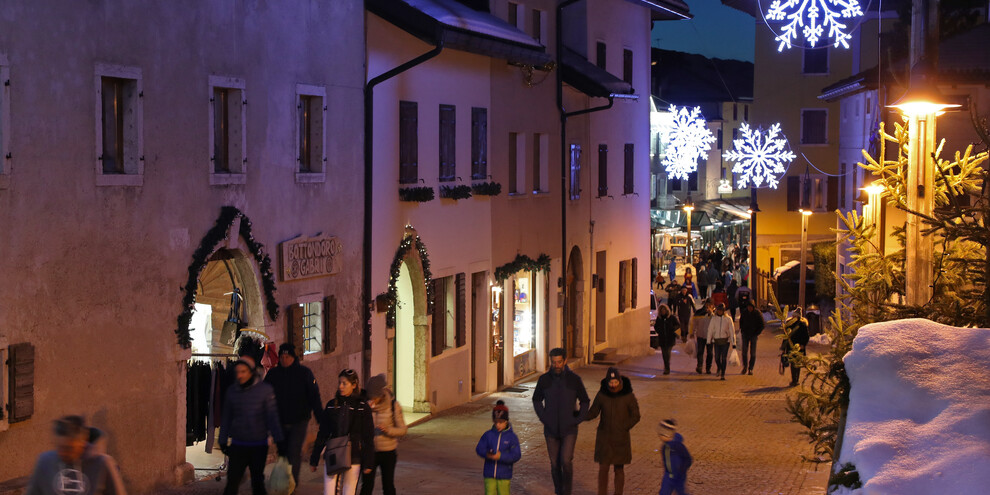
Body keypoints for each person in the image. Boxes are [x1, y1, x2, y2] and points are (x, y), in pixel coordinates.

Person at [219, 360, 285, 495]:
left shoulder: (264, 391)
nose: (240, 376)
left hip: (258, 445)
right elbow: (226, 417)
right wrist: (222, 440)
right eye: (237, 372)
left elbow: (272, 417)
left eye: (243, 372)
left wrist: (279, 441)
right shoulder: (232, 391)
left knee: (257, 482)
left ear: (251, 372)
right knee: (232, 481)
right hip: (238, 444)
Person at [532, 348, 590, 495]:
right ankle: (559, 490)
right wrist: (543, 417)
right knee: (554, 464)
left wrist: (578, 418)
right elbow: (536, 399)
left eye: (559, 362)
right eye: (553, 362)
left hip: (569, 429)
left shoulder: (574, 380)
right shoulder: (544, 380)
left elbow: (584, 400)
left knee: (566, 461)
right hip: (550, 429)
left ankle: (566, 491)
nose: (556, 365)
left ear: (565, 361)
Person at [265, 343, 324, 487]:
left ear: (293, 357)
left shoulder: (304, 373)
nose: (284, 360)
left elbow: (314, 396)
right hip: (279, 422)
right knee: (283, 453)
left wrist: (320, 418)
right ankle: (284, 481)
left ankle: (292, 485)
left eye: (287, 356)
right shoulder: (273, 375)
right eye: (282, 357)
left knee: (294, 452)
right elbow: (264, 396)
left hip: (299, 421)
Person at [310, 369, 375, 495]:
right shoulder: (331, 405)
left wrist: (368, 461)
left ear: (354, 385)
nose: (340, 386)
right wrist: (314, 458)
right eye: (339, 383)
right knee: (329, 491)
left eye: (344, 383)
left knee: (349, 491)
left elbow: (368, 436)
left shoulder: (362, 407)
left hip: (354, 454)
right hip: (333, 453)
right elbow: (323, 433)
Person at [25, 416, 126, 495]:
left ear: (82, 442)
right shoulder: (45, 462)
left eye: (69, 448)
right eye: (59, 447)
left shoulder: (102, 464)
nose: (62, 453)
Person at [587, 368, 640, 495]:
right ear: (607, 382)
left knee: (619, 469)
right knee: (603, 469)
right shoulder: (602, 395)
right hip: (604, 438)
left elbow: (636, 415)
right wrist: (578, 415)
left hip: (621, 439)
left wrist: (624, 427)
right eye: (611, 382)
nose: (613, 385)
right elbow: (593, 412)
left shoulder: (628, 396)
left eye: (615, 382)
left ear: (619, 381)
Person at [361, 374, 408, 495]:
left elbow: (403, 430)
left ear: (380, 394)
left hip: (388, 452)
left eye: (374, 397)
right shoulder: (364, 406)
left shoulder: (393, 406)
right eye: (369, 397)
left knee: (388, 485)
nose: (372, 400)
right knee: (367, 485)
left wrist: (388, 430)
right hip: (369, 452)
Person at [475, 400, 521, 495]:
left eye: (501, 422)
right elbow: (479, 448)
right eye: (496, 422)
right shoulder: (488, 435)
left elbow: (516, 455)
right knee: (489, 492)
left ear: (506, 421)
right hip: (489, 473)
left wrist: (501, 456)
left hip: (504, 474)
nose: (498, 425)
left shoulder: (512, 437)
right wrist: (487, 454)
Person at [657, 419, 692, 495]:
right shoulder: (665, 446)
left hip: (678, 475)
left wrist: (681, 469)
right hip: (668, 474)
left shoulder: (678, 446)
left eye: (661, 434)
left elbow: (688, 459)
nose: (659, 436)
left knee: (680, 492)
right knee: (664, 492)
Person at [707, 303, 736, 380]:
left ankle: (723, 373)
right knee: (716, 357)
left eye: (721, 310)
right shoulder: (714, 319)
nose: (719, 312)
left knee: (723, 358)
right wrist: (708, 340)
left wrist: (734, 343)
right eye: (719, 310)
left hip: (725, 341)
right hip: (716, 341)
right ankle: (719, 367)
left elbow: (732, 331)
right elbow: (710, 329)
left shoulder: (728, 319)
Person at [783, 308, 810, 387]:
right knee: (792, 363)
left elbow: (806, 336)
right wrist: (783, 348)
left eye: (795, 316)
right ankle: (794, 379)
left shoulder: (802, 325)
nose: (794, 317)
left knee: (797, 363)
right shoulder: (789, 324)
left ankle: (796, 379)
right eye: (793, 316)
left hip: (799, 347)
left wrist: (803, 344)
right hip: (791, 346)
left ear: (798, 317)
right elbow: (785, 336)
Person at [739, 301, 765, 375]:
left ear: (753, 307)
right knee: (744, 351)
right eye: (748, 307)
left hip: (753, 335)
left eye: (751, 307)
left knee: (753, 353)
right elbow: (741, 322)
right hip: (745, 334)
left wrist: (757, 333)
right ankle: (745, 367)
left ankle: (750, 368)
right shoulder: (744, 313)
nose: (749, 308)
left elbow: (762, 324)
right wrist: (742, 330)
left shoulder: (757, 313)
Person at [654, 304, 679, 375]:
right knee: (664, 354)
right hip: (662, 339)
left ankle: (667, 368)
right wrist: (659, 331)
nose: (663, 312)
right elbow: (656, 326)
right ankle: (666, 366)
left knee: (667, 354)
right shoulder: (659, 319)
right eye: (661, 310)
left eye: (664, 310)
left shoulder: (671, 318)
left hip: (670, 339)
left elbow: (677, 325)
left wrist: (673, 330)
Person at [692, 302, 714, 374]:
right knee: (700, 351)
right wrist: (692, 332)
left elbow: (716, 323)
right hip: (700, 335)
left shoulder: (713, 315)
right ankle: (700, 366)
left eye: (709, 306)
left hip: (710, 337)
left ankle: (708, 368)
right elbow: (694, 323)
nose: (707, 308)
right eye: (706, 306)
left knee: (710, 353)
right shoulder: (699, 313)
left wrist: (711, 314)